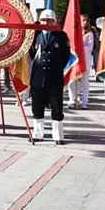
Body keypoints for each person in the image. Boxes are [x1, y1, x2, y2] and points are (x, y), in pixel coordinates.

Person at [30, 8, 70, 145]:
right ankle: (38, 134)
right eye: (43, 20)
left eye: (49, 20)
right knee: (37, 107)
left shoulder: (61, 36)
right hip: (38, 77)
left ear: (54, 21)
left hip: (54, 78)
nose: (46, 22)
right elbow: (32, 54)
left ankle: (58, 136)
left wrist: (56, 68)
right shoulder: (35, 35)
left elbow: (65, 56)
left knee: (57, 108)